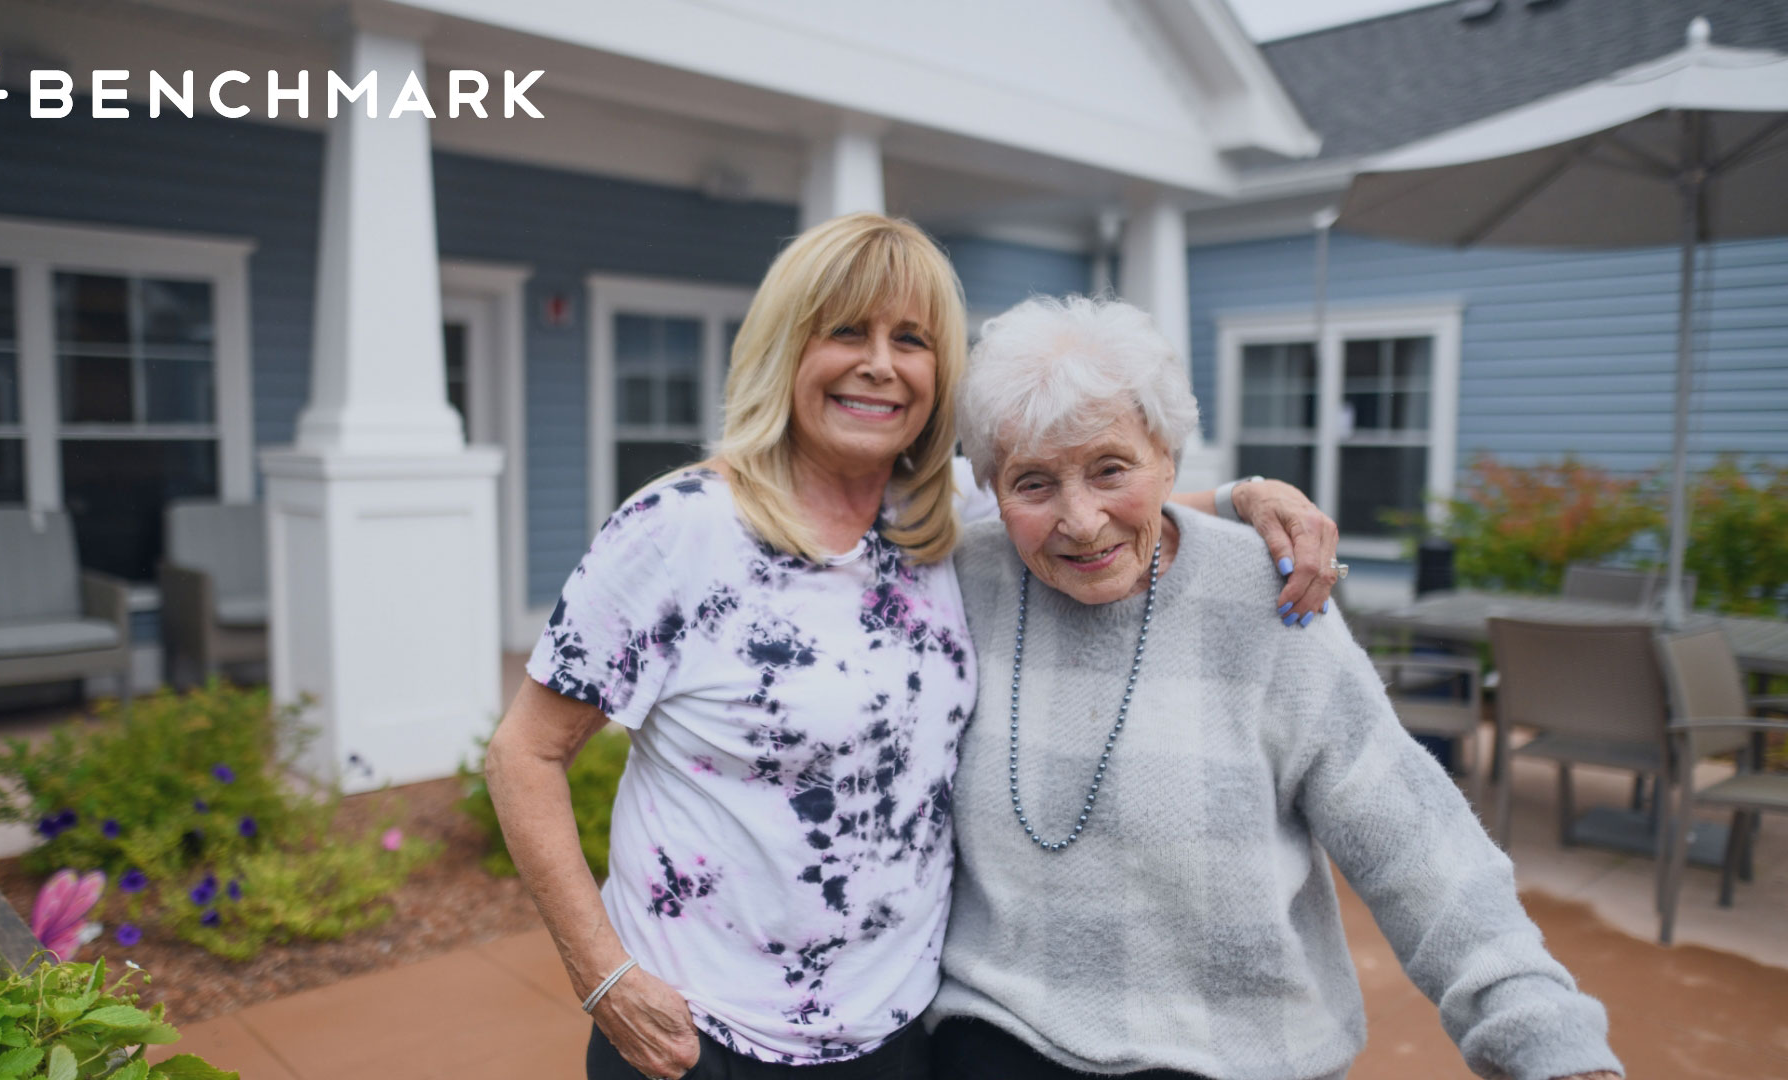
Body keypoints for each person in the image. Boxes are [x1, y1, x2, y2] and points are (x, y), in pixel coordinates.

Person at [484, 214, 1340, 1080]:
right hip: (700, 1037)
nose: (881, 364)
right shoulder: (678, 531)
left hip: (894, 1033)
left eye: (913, 340)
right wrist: (603, 975)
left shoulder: (940, 516)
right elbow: (524, 754)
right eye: (847, 331)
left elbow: (1092, 491)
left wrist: (1249, 497)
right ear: (786, 348)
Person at [929, 294, 1623, 1080]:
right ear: (992, 487)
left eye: (1110, 469)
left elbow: (1412, 838)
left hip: (1240, 1056)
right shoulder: (962, 582)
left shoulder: (1265, 597)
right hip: (1002, 1039)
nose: (1081, 520)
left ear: (1167, 456)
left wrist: (1541, 1036)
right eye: (1033, 484)